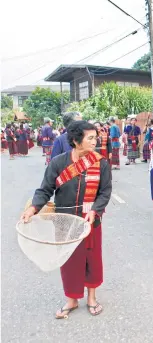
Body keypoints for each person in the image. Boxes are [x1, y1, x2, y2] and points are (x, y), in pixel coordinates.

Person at [21, 120, 112, 318]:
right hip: (65, 221)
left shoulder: (101, 162)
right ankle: (72, 298)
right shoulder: (58, 163)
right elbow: (45, 189)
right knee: (69, 260)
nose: (95, 141)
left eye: (95, 137)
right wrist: (33, 208)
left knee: (92, 259)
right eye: (90, 138)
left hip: (90, 221)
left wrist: (95, 210)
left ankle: (91, 297)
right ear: (76, 141)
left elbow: (105, 192)